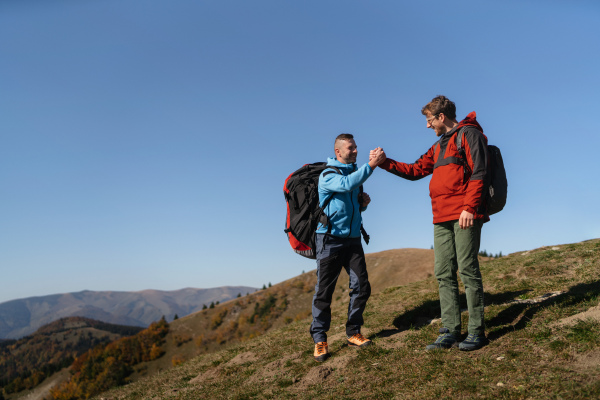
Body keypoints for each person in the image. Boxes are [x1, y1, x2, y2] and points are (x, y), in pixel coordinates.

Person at [372, 95, 490, 351]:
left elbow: (480, 172)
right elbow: (415, 170)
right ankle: (449, 329)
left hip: (464, 215)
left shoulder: (469, 135)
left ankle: (477, 331)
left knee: (468, 270)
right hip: (441, 217)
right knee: (444, 272)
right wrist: (384, 163)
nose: (427, 126)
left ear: (440, 117)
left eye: (429, 120)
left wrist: (470, 207)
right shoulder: (439, 146)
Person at [311, 133, 386, 362]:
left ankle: (353, 332)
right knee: (325, 291)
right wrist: (371, 165)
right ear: (338, 152)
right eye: (350, 148)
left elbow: (348, 204)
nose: (354, 151)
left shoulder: (353, 175)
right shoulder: (328, 175)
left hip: (352, 240)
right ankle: (320, 339)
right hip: (329, 240)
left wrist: (361, 206)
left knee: (361, 286)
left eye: (355, 147)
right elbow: (345, 185)